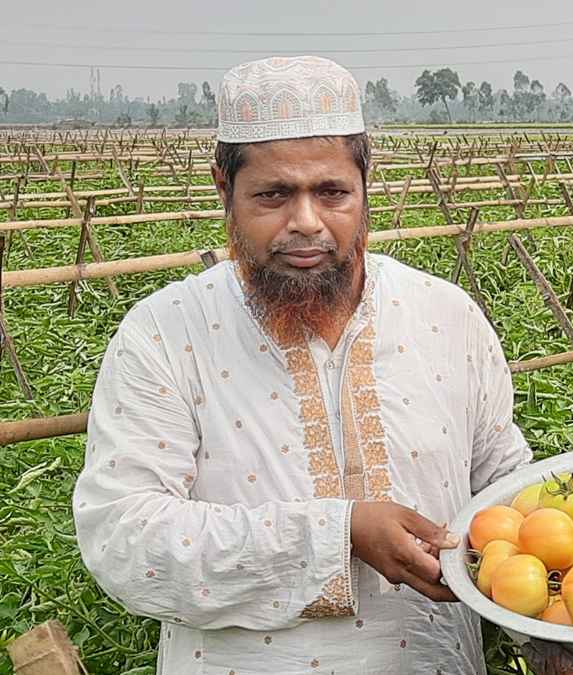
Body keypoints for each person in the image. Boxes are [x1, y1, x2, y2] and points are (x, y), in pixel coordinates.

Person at [73, 55, 531, 674]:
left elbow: (503, 484)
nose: (306, 223)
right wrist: (338, 533)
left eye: (332, 192)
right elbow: (125, 537)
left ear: (367, 185)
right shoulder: (167, 332)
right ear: (223, 190)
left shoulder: (445, 315)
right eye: (274, 195)